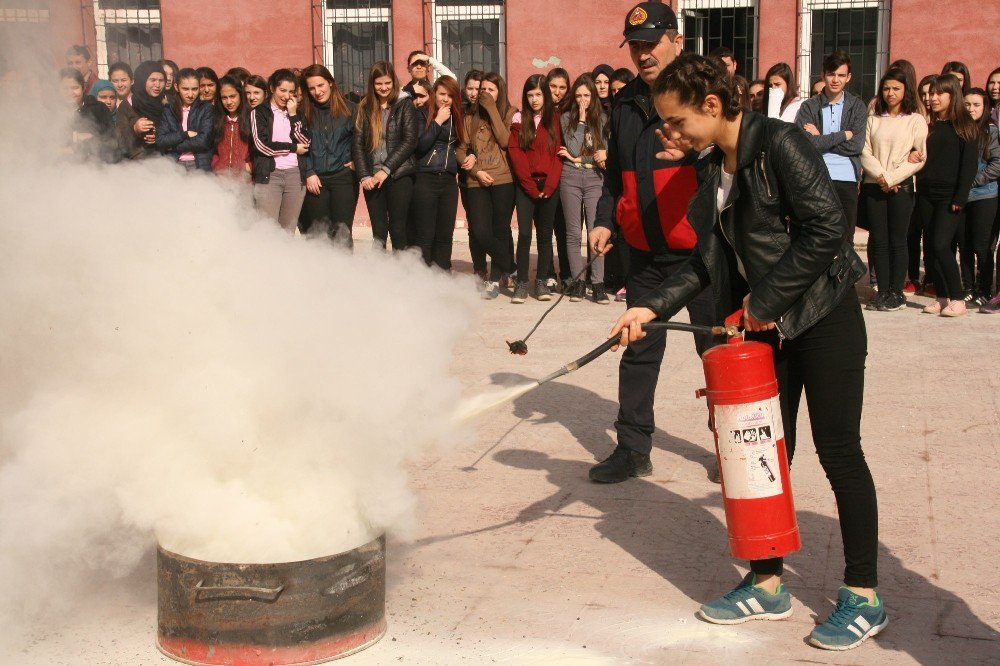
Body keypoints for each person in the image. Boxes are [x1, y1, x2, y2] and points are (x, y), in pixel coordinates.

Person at [612, 53, 881, 651]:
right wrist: (652, 307)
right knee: (762, 454)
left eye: (676, 121)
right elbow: (707, 259)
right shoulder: (713, 166)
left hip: (825, 318)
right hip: (771, 326)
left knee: (840, 452)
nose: (671, 134)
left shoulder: (782, 143)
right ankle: (767, 583)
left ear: (713, 106)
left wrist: (764, 301)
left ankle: (863, 593)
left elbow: (826, 231)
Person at [587, 2, 716, 483]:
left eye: (651, 43)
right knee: (638, 351)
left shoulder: (705, 96)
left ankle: (730, 447)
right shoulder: (623, 105)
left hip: (702, 256)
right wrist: (605, 221)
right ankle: (633, 447)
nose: (642, 54)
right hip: (645, 254)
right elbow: (616, 182)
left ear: (677, 42)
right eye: (635, 46)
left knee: (716, 354)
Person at [860, 67, 928, 311]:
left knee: (897, 240)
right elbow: (864, 151)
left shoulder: (915, 120)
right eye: (886, 88)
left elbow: (919, 156)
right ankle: (882, 290)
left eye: (896, 89)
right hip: (874, 186)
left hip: (902, 188)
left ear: (905, 91)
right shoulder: (873, 119)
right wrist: (881, 176)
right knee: (878, 239)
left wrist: (892, 177)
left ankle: (896, 292)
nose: (890, 93)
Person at [916, 74, 980, 317]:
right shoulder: (930, 126)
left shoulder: (965, 127)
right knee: (930, 248)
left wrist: (960, 197)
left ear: (952, 95)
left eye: (938, 93)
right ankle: (942, 297)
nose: (932, 98)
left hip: (949, 197)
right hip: (926, 194)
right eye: (931, 94)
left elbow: (969, 167)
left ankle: (958, 297)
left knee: (942, 245)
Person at [456, 72, 518, 298]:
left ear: (500, 92)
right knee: (481, 232)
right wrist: (475, 171)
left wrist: (492, 109)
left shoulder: (511, 114)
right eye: (483, 90)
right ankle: (510, 266)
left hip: (503, 180)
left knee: (500, 230)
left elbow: (505, 141)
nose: (485, 94)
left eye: (491, 90)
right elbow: (460, 149)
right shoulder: (469, 117)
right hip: (476, 180)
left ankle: (495, 279)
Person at [795, 50, 867, 243]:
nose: (836, 80)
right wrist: (842, 135)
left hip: (847, 178)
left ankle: (843, 274)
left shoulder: (857, 106)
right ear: (823, 75)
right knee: (818, 236)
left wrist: (821, 138)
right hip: (816, 176)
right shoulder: (809, 107)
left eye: (841, 75)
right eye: (831, 74)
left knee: (845, 236)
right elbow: (805, 143)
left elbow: (856, 145)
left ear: (848, 77)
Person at [509, 74, 564, 303]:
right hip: (525, 187)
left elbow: (558, 154)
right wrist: (530, 187)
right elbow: (516, 152)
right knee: (523, 234)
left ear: (546, 96)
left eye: (538, 95)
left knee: (544, 235)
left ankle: (541, 281)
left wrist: (549, 185)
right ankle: (522, 282)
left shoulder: (555, 119)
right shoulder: (519, 118)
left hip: (549, 186)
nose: (534, 99)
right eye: (530, 95)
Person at [352, 61, 418, 251]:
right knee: (379, 231)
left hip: (398, 175)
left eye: (387, 83)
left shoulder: (404, 105)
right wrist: (364, 175)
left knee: (398, 229)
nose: (383, 88)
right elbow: (357, 144)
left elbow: (409, 141)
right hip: (371, 178)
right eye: (379, 83)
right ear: (372, 84)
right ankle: (379, 276)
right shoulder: (364, 107)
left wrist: (386, 169)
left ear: (394, 82)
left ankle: (400, 275)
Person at [559, 74, 609, 303]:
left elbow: (602, 152)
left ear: (594, 96)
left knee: (594, 231)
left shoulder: (602, 118)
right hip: (570, 176)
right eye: (578, 95)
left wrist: (577, 158)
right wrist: (580, 119)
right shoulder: (566, 118)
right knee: (572, 232)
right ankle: (578, 282)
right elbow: (575, 147)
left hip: (594, 178)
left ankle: (597, 283)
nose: (582, 100)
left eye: (586, 96)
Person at [299, 64, 358, 246]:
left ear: (330, 83)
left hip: (344, 179)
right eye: (312, 88)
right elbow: (299, 146)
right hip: (316, 180)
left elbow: (361, 139)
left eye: (321, 85)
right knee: (319, 234)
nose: (317, 91)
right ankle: (321, 274)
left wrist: (357, 160)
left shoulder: (351, 109)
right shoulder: (302, 112)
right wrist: (308, 172)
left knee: (342, 232)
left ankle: (343, 273)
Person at [249, 68, 311, 232]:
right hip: (270, 175)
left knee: (287, 231)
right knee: (267, 231)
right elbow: (261, 145)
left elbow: (305, 143)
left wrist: (293, 115)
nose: (286, 96)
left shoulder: (297, 113)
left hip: (295, 175)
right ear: (272, 88)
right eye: (282, 90)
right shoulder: (260, 112)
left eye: (291, 92)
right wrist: (292, 148)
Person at [412, 75, 464, 269]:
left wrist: (472, 154)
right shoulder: (422, 114)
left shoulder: (457, 116)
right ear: (434, 94)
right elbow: (420, 145)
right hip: (425, 177)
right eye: (442, 94)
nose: (445, 99)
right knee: (425, 234)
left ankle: (442, 275)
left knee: (445, 234)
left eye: (450, 95)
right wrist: (437, 121)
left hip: (449, 180)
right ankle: (423, 280)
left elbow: (462, 144)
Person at [961, 88, 1000, 306]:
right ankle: (968, 287)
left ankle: (984, 288)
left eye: (976, 105)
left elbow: (997, 164)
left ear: (985, 108)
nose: (971, 109)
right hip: (961, 197)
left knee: (982, 244)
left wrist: (974, 180)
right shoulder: (959, 130)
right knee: (964, 244)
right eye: (967, 104)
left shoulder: (990, 132)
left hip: (985, 195)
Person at [546, 66, 574, 291]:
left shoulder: (571, 111)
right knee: (545, 228)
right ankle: (547, 273)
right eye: (553, 86)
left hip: (566, 175)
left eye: (562, 87)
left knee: (565, 229)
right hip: (545, 176)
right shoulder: (540, 110)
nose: (557, 92)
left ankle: (566, 272)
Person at [157, 67, 215, 171]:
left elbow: (203, 141)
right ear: (176, 87)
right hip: (173, 164)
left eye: (194, 89)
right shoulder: (169, 110)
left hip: (199, 164)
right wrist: (185, 134)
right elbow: (161, 140)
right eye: (185, 89)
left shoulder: (206, 108)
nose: (190, 94)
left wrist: (173, 147)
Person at [461, 69, 488, 280]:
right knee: (474, 225)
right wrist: (468, 157)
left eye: (477, 89)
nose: (473, 93)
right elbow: (458, 144)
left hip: (492, 173)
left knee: (497, 225)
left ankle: (503, 269)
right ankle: (479, 267)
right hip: (467, 177)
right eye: (469, 88)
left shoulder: (491, 111)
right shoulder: (461, 112)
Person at [59, 67, 115, 162]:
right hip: (61, 168)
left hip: (95, 166)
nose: (70, 93)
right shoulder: (51, 113)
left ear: (83, 88)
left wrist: (92, 139)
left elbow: (112, 141)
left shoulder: (99, 109)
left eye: (75, 88)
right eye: (65, 88)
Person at [118, 60, 167, 159]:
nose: (157, 85)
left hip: (165, 162)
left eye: (161, 81)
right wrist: (135, 129)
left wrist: (159, 136)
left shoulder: (167, 103)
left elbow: (177, 132)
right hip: (137, 164)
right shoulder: (127, 105)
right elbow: (120, 141)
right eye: (152, 80)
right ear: (142, 80)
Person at [211, 74, 252, 179]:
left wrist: (250, 166)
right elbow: (211, 149)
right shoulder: (215, 119)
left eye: (232, 96)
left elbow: (260, 150)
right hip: (220, 179)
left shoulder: (252, 118)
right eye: (224, 98)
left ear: (240, 95)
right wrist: (216, 165)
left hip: (244, 181)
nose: (229, 102)